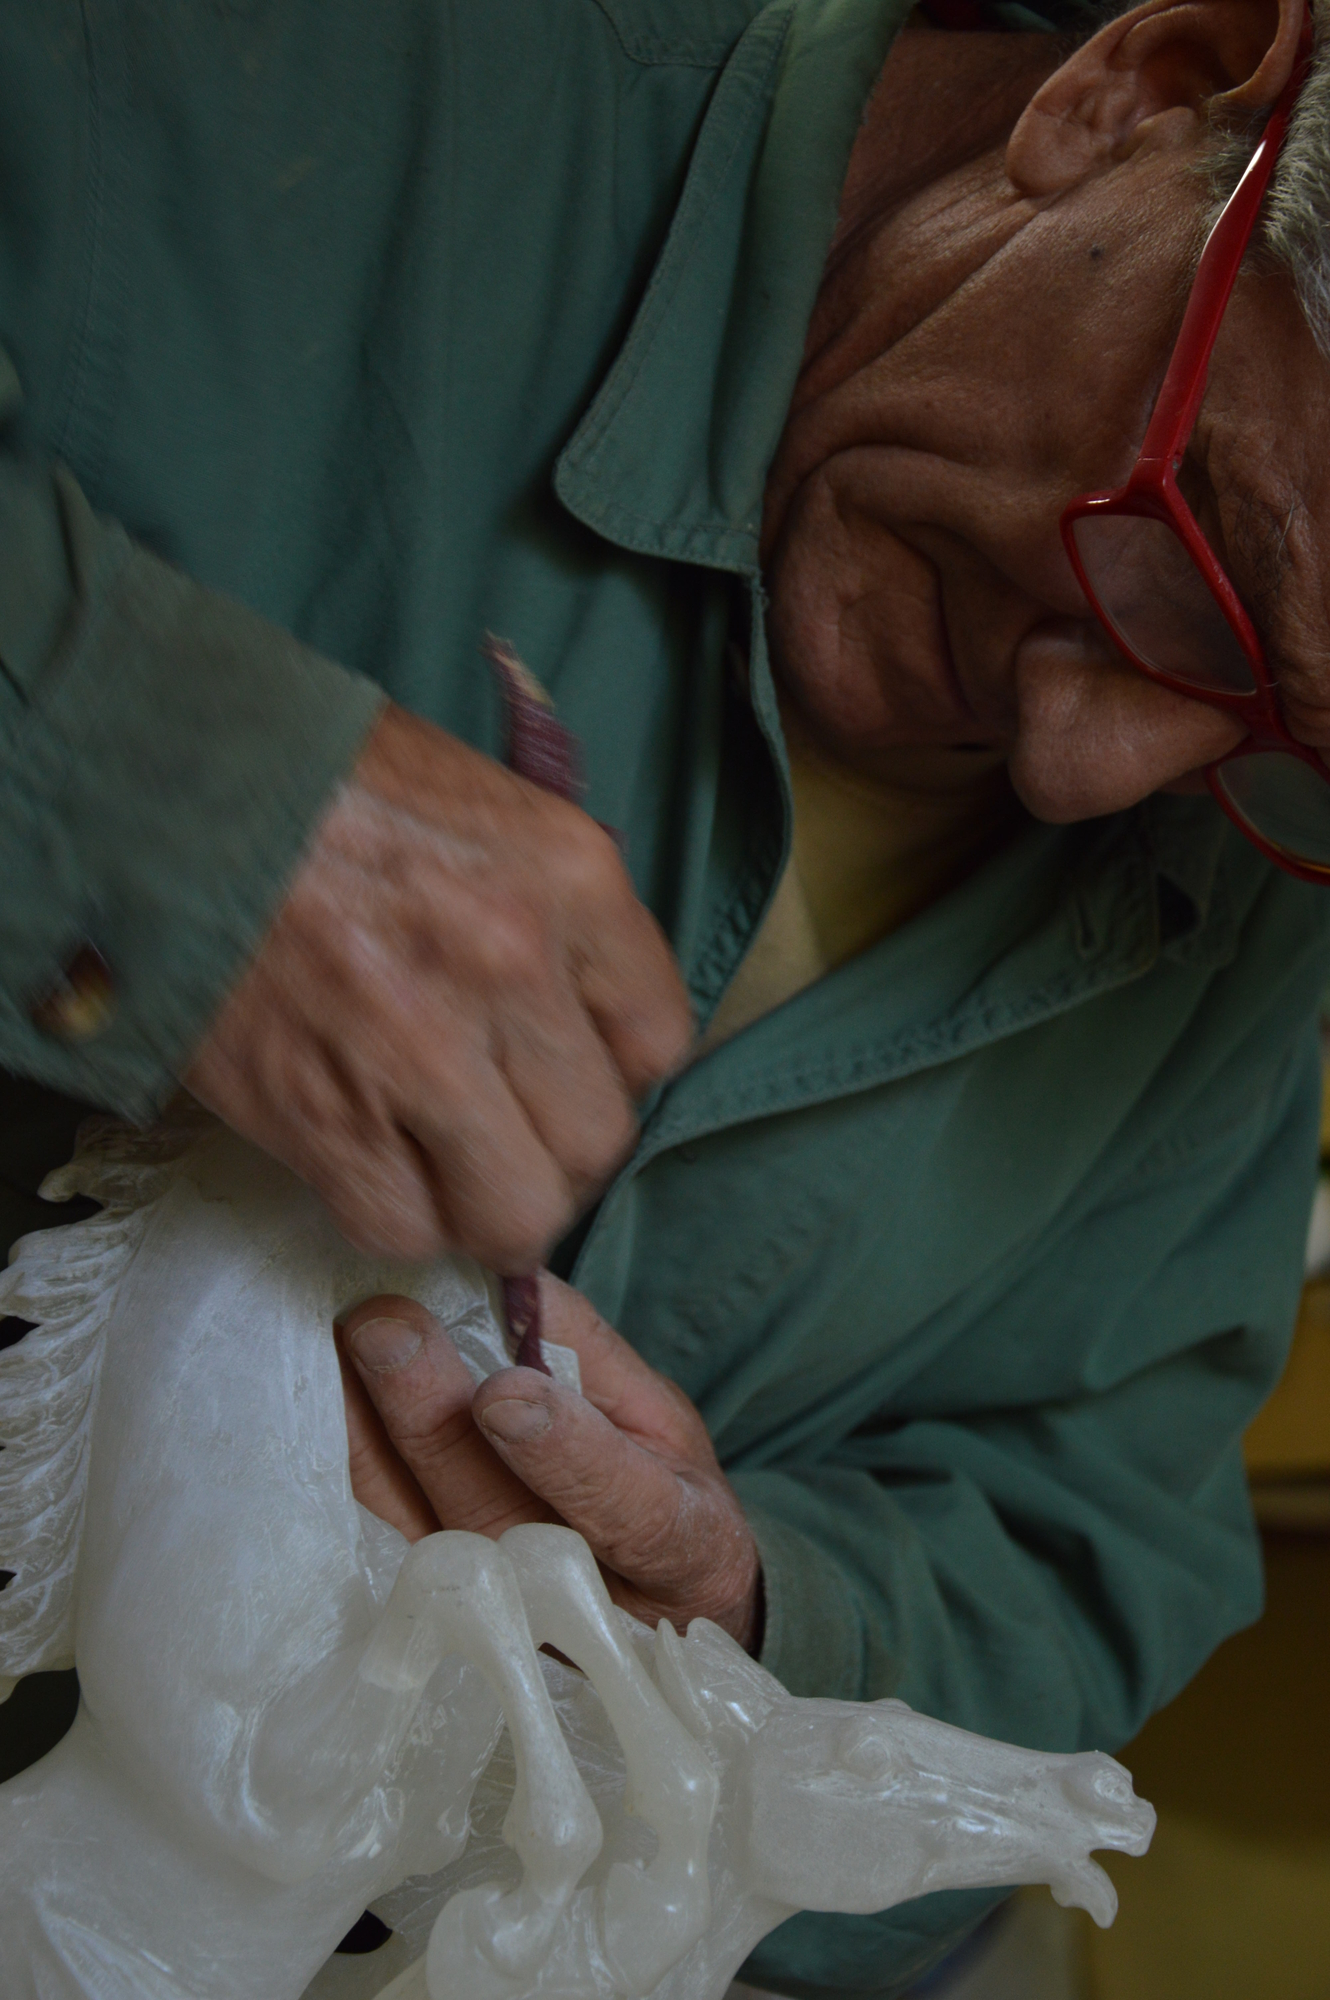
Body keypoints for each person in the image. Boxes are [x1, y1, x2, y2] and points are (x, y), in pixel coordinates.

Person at [2, 0, 1329, 1990]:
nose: (1086, 765)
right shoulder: (269, 74)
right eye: (1197, 561)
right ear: (1138, 94)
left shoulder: (1243, 870)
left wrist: (755, 1611)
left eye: (1276, 732)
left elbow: (1076, 1538)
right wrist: (137, 785)